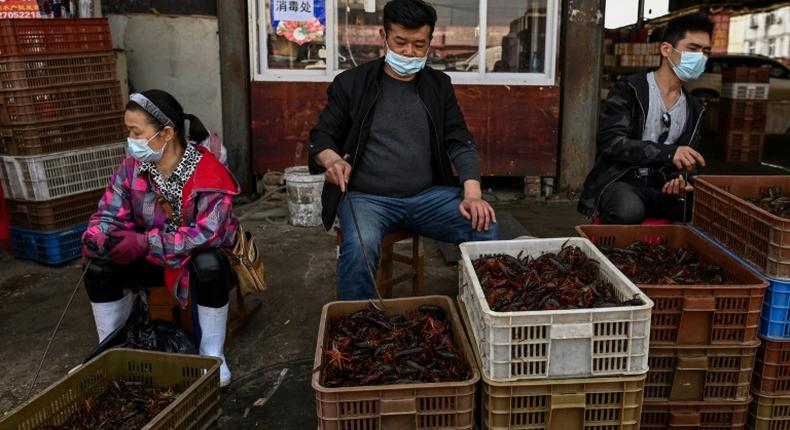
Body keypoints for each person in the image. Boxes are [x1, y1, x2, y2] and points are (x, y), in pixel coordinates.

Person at [308, 0, 499, 300]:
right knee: (360, 246)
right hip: (367, 199)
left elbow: (459, 139)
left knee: (484, 224)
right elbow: (322, 136)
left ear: (429, 43)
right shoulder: (352, 84)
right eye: (401, 42)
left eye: (419, 45)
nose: (410, 52)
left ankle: (482, 313)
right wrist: (330, 160)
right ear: (382, 37)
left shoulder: (438, 85)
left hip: (426, 197)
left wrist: (472, 193)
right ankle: (356, 327)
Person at [81, 90, 239, 387]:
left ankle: (213, 356)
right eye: (128, 131)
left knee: (210, 263)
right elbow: (107, 213)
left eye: (135, 132)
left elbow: (206, 234)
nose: (130, 139)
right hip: (152, 258)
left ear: (166, 133)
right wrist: (98, 236)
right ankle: (112, 350)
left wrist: (143, 243)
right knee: (98, 262)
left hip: (193, 261)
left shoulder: (209, 173)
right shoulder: (131, 169)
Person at [578, 14, 713, 224]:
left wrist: (680, 181)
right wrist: (669, 153)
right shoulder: (630, 89)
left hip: (661, 185)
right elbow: (611, 143)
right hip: (621, 179)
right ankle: (605, 248)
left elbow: (688, 162)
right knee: (628, 210)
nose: (701, 57)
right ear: (666, 50)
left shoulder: (694, 108)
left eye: (706, 51)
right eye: (693, 48)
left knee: (707, 212)